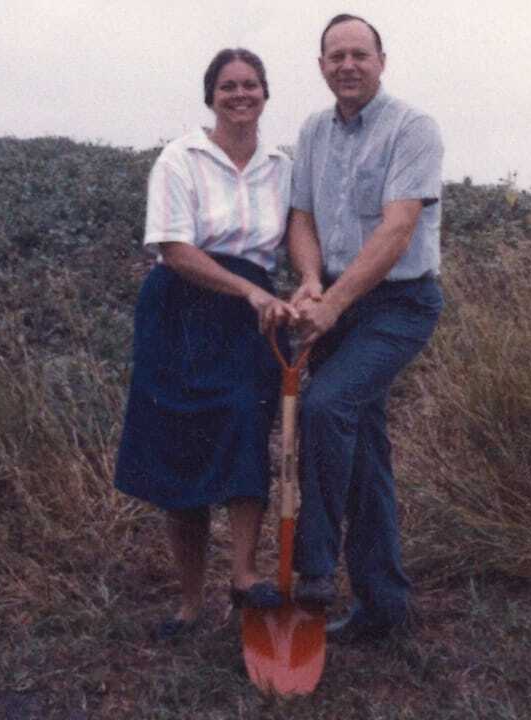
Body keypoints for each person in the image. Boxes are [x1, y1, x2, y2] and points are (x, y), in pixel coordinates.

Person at [114, 48, 298, 640]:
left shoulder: (282, 165)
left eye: (250, 85)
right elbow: (173, 247)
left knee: (246, 427)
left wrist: (312, 287)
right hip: (182, 313)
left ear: (265, 94)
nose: (239, 95)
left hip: (252, 322)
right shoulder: (179, 159)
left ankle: (243, 579)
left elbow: (298, 239)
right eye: (227, 86)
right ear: (210, 95)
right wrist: (246, 291)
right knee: (181, 452)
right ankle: (190, 605)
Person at [288, 14, 445, 642]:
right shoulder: (311, 131)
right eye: (336, 56)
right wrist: (308, 280)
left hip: (398, 304)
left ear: (382, 60)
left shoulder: (413, 129)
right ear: (321, 65)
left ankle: (315, 567)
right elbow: (302, 216)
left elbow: (397, 229)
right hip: (338, 303)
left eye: (360, 54)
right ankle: (384, 606)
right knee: (366, 452)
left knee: (326, 408)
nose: (347, 65)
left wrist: (333, 303)